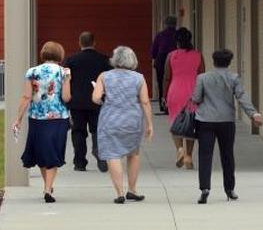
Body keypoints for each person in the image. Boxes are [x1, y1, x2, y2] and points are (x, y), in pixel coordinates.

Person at [190, 48, 262, 204]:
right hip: (226, 121)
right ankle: (230, 189)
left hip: (205, 120)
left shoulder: (202, 77)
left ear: (213, 61)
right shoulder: (234, 78)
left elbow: (195, 98)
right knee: (227, 154)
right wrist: (253, 114)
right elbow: (242, 97)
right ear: (229, 62)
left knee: (205, 155)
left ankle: (205, 189)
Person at [92, 45, 155, 204]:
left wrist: (102, 97)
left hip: (110, 120)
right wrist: (149, 124)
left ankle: (119, 193)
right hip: (132, 120)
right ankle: (132, 190)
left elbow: (95, 98)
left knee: (112, 155)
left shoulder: (104, 76)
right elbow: (145, 102)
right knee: (133, 154)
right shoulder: (139, 78)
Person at [12, 41, 71, 203]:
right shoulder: (63, 72)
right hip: (58, 118)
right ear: (60, 54)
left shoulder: (32, 72)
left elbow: (26, 96)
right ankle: (47, 188)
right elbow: (66, 97)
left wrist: (18, 118)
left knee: (42, 152)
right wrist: (67, 80)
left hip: (37, 118)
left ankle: (47, 187)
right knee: (52, 152)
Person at [64, 31, 112, 172]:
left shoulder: (71, 60)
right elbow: (109, 80)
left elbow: (66, 81)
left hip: (76, 102)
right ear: (94, 42)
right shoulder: (104, 59)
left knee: (78, 131)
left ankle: (80, 162)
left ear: (80, 43)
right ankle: (100, 154)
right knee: (98, 130)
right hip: (97, 101)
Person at [164, 27, 204, 169]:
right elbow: (201, 76)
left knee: (176, 122)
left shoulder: (171, 56)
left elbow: (167, 77)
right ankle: (188, 156)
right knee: (191, 124)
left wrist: (164, 95)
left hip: (175, 91)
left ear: (177, 41)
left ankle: (179, 149)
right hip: (193, 92)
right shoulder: (198, 55)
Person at [149, 15, 177, 114]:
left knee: (162, 84)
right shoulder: (177, 35)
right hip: (175, 60)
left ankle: (164, 105)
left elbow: (153, 51)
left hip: (161, 61)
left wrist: (154, 59)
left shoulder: (160, 35)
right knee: (174, 82)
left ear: (165, 24)